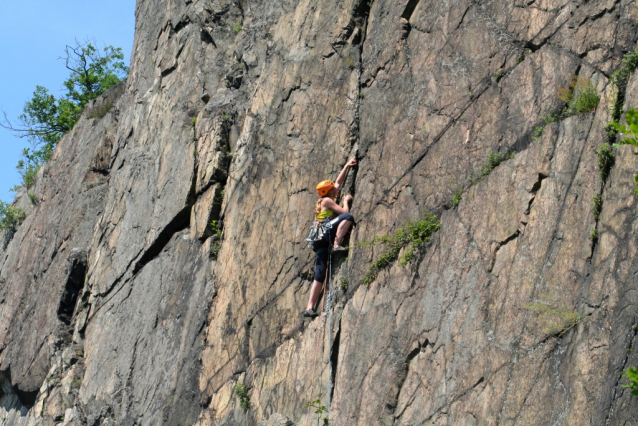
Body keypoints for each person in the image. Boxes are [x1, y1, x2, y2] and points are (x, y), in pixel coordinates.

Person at [303, 157, 357, 318]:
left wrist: (347, 166)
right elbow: (344, 213)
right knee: (349, 217)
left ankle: (309, 307)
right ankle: (336, 244)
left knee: (320, 273)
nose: (337, 189)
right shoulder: (327, 200)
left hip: (318, 240)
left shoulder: (326, 198)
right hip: (324, 234)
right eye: (333, 188)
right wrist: (346, 201)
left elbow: (337, 183)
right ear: (329, 191)